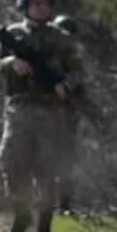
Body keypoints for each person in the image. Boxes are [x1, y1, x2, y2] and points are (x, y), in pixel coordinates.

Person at [0, 0, 84, 232]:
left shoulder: (61, 38)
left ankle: (43, 229)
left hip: (51, 110)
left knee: (46, 170)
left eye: (46, 3)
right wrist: (11, 63)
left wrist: (66, 84)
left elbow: (78, 69)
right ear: (25, 5)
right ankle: (21, 212)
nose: (42, 8)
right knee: (9, 161)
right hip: (18, 108)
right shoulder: (12, 35)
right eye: (36, 3)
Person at [51, 13, 81, 215]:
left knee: (65, 162)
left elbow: (79, 85)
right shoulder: (47, 57)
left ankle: (64, 204)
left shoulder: (74, 62)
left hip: (67, 117)